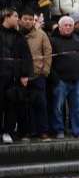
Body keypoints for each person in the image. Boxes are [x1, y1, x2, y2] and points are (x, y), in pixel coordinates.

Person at [49, 16, 79, 139]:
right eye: (65, 25)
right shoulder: (52, 40)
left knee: (78, 108)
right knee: (58, 108)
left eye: (70, 25)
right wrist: (55, 78)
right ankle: (59, 130)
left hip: (76, 79)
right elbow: (48, 61)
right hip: (60, 80)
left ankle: (77, 131)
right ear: (59, 27)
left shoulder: (78, 40)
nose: (68, 27)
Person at [0, 8, 32, 143]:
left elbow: (26, 56)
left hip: (13, 76)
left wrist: (25, 74)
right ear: (6, 17)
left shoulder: (19, 36)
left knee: (11, 105)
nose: (17, 19)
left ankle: (8, 132)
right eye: (15, 16)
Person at [19, 9, 51, 139]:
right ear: (20, 20)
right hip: (21, 76)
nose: (28, 22)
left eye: (30, 19)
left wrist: (45, 71)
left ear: (34, 21)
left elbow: (48, 53)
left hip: (38, 74)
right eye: (25, 19)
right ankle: (26, 131)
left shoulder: (41, 34)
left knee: (41, 104)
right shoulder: (17, 34)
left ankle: (43, 131)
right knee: (23, 106)